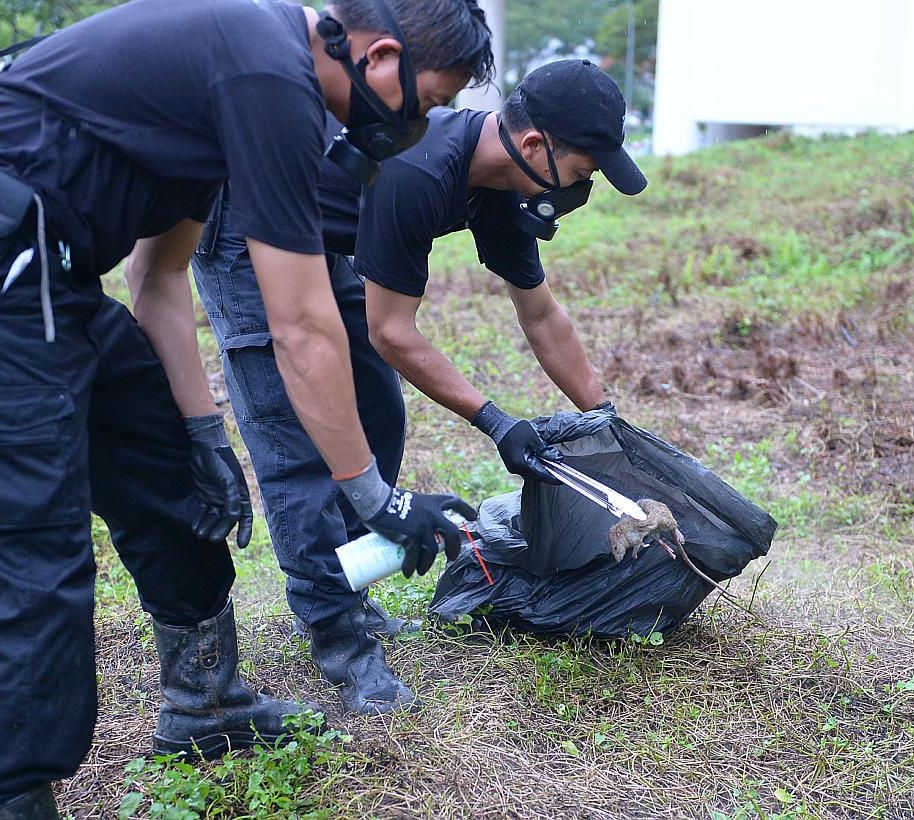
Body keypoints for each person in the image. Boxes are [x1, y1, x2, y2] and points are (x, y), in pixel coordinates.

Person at [0, 0, 493, 816]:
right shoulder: (267, 72)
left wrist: (200, 432)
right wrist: (375, 496)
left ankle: (205, 705)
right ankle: (7, 800)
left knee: (179, 491)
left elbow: (158, 278)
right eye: (423, 103)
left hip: (51, 284)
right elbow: (302, 326)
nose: (418, 126)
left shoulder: (254, 70)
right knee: (31, 547)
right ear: (381, 59)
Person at [191, 59, 646, 715]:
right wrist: (496, 422)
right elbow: (394, 333)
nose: (581, 192)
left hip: (325, 241)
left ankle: (345, 591)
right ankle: (342, 643)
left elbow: (541, 314)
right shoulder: (419, 170)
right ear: (534, 148)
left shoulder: (500, 190)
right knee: (302, 443)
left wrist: (606, 423)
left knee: (377, 413)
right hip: (245, 230)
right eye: (582, 174)